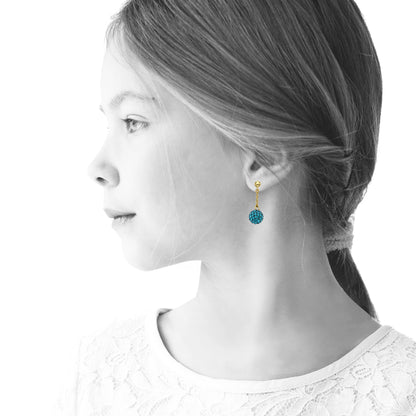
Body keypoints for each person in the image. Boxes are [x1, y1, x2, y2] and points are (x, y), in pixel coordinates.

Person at [56, 1, 416, 415]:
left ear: (263, 155)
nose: (98, 167)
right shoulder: (97, 378)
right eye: (111, 123)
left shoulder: (403, 394)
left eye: (133, 122)